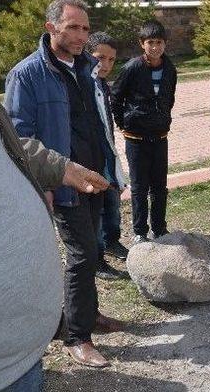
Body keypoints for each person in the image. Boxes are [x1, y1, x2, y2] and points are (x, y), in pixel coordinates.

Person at [0, 56, 109, 392]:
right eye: (73, 26)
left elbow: (3, 143)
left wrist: (56, 167)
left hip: (21, 359)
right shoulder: (27, 73)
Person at [5, 0, 123, 368]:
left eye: (85, 28)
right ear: (51, 27)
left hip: (95, 178)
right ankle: (76, 335)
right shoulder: (27, 75)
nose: (81, 35)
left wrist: (112, 170)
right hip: (63, 183)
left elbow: (101, 123)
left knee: (94, 249)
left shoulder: (90, 68)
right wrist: (47, 183)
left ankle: (89, 315)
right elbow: (19, 138)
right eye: (72, 26)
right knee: (82, 254)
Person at [111, 21, 177, 244]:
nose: (155, 47)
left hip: (160, 137)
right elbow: (116, 97)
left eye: (159, 43)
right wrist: (123, 123)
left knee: (160, 187)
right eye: (150, 43)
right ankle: (140, 231)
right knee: (139, 187)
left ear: (165, 44)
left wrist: (163, 118)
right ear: (142, 44)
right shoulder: (132, 68)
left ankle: (159, 228)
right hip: (136, 139)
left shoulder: (170, 68)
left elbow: (170, 97)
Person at [85, 31, 129, 279]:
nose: (106, 65)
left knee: (112, 202)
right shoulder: (81, 83)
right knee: (95, 209)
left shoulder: (102, 84)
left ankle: (112, 241)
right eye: (100, 57)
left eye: (111, 60)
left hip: (107, 154)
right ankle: (97, 258)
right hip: (89, 159)